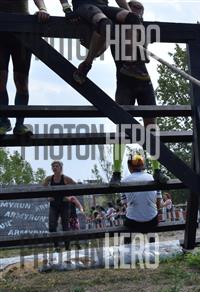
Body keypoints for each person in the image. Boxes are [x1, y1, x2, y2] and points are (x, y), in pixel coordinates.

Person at [109, 1, 166, 186]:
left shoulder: (141, 31)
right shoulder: (115, 29)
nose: (137, 15)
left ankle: (157, 170)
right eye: (134, 12)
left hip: (143, 82)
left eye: (140, 13)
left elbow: (145, 54)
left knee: (151, 126)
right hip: (125, 83)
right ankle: (116, 173)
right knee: (121, 128)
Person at [60, 0, 148, 84]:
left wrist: (131, 15)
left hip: (102, 7)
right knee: (105, 24)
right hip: (84, 6)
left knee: (133, 19)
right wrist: (67, 9)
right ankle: (87, 65)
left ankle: (130, 64)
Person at [0, 0, 49, 136]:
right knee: (1, 79)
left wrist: (43, 9)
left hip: (23, 28)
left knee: (21, 82)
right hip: (1, 29)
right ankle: (3, 122)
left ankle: (20, 125)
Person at [121, 153, 162, 233]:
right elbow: (158, 202)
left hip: (132, 221)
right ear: (143, 165)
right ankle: (152, 240)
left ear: (129, 167)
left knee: (127, 223)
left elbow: (126, 204)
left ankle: (128, 242)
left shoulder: (124, 181)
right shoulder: (152, 178)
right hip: (152, 220)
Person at [42, 161, 76, 249]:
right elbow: (42, 188)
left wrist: (69, 197)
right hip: (54, 204)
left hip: (64, 204)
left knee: (65, 226)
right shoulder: (49, 178)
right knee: (52, 226)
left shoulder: (65, 178)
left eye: (56, 166)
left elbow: (76, 186)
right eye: (53, 166)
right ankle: (56, 246)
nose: (54, 168)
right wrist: (48, 196)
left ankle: (67, 247)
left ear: (60, 168)